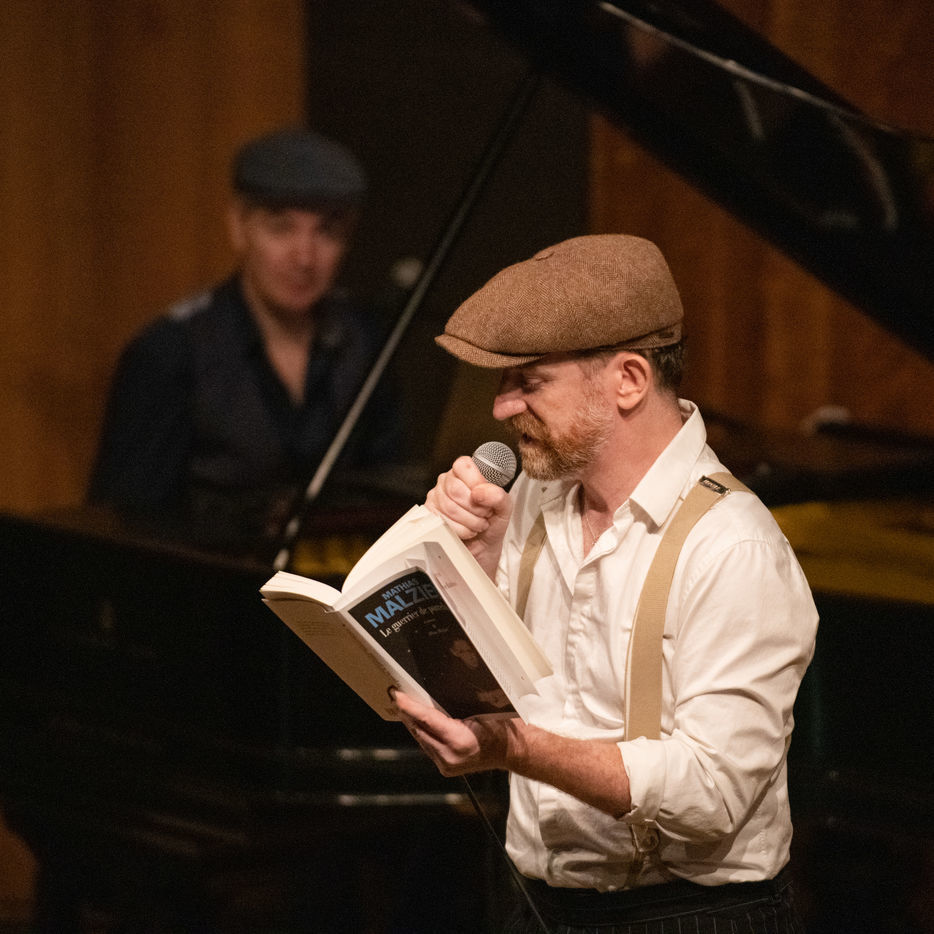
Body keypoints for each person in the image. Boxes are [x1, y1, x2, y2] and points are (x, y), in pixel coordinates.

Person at [392, 234, 819, 933]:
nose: (501, 409)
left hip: (686, 917)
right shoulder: (530, 502)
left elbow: (712, 794)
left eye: (529, 382)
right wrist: (469, 565)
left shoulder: (733, 546)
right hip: (539, 904)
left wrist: (517, 749)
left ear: (628, 380)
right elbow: (487, 689)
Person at [89, 127, 399, 548]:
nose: (304, 257)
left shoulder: (365, 338)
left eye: (326, 232)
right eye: (281, 228)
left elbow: (390, 491)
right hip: (203, 579)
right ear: (238, 226)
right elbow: (125, 526)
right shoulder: (170, 353)